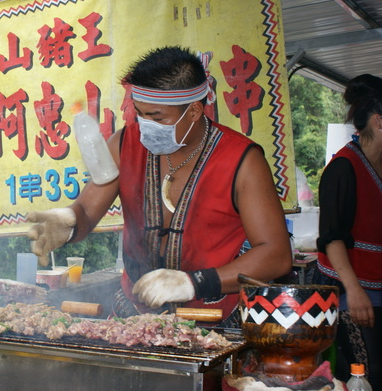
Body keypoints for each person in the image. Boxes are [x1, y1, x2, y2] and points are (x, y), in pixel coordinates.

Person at [28, 46, 292, 327]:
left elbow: (275, 255)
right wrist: (67, 220)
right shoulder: (123, 144)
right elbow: (86, 212)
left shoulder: (242, 160)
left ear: (193, 111)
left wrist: (193, 283)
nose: (144, 126)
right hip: (133, 316)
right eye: (139, 114)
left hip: (212, 319)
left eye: (157, 117)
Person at [314, 73, 382, 389]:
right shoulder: (343, 168)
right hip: (350, 292)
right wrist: (353, 291)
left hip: (377, 286)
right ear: (379, 122)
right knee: (368, 373)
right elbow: (332, 236)